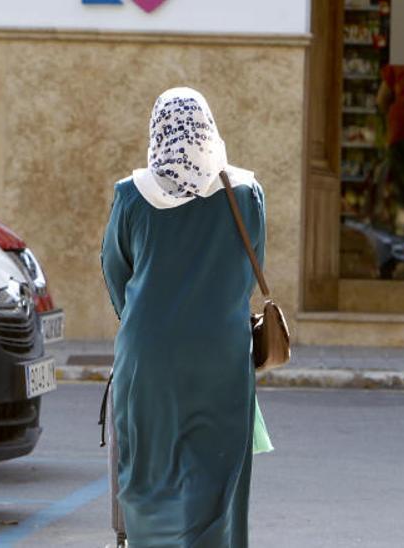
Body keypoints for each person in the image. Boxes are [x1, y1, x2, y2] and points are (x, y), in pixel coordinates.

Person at [101, 87, 263, 547]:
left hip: (149, 359)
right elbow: (248, 276)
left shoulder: (132, 196)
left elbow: (117, 273)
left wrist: (145, 323)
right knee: (217, 477)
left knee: (150, 475)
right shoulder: (246, 194)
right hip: (222, 358)